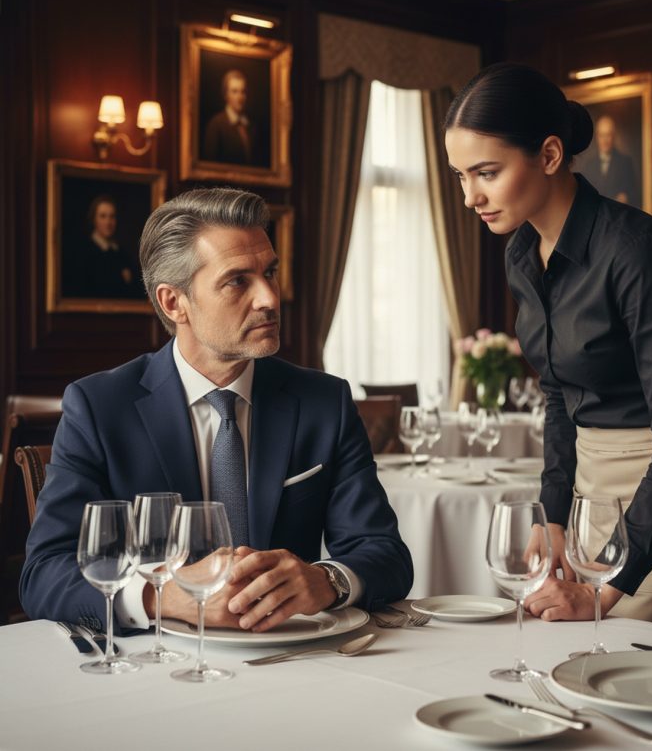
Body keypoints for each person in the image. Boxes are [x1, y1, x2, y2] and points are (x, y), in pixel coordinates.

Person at [444, 63, 652, 645]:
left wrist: (605, 585)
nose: (470, 196)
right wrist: (555, 517)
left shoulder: (638, 251)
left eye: (487, 172)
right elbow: (559, 399)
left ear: (551, 155)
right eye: (460, 176)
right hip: (592, 503)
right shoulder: (521, 257)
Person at [21, 187, 413, 634]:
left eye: (271, 272)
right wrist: (166, 596)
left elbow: (386, 554)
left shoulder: (324, 402)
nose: (269, 297)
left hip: (297, 660)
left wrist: (327, 581)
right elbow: (44, 575)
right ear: (174, 302)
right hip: (156, 673)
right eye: (237, 280)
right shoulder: (99, 408)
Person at [62, 195, 144, 299]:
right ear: (94, 219)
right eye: (103, 216)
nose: (108, 222)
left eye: (112, 216)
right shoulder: (82, 252)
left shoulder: (122, 254)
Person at [202, 69, 268, 168]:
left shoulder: (253, 126)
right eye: (234, 91)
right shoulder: (216, 124)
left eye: (243, 92)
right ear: (226, 95)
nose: (239, 97)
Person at [581, 115, 640, 207]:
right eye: (601, 135)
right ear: (597, 137)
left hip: (618, 215)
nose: (605, 140)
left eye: (608, 135)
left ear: (613, 136)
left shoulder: (625, 162)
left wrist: (626, 197)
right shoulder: (589, 165)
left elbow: (635, 195)